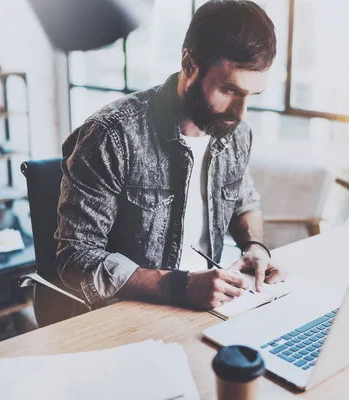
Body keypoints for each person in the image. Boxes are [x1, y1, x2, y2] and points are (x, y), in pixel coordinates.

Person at [56, 0, 286, 311]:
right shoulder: (112, 135)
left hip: (214, 306)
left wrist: (255, 246)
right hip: (130, 310)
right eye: (230, 90)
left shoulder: (235, 133)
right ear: (190, 65)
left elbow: (244, 202)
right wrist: (182, 286)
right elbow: (75, 258)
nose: (240, 112)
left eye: (251, 96)